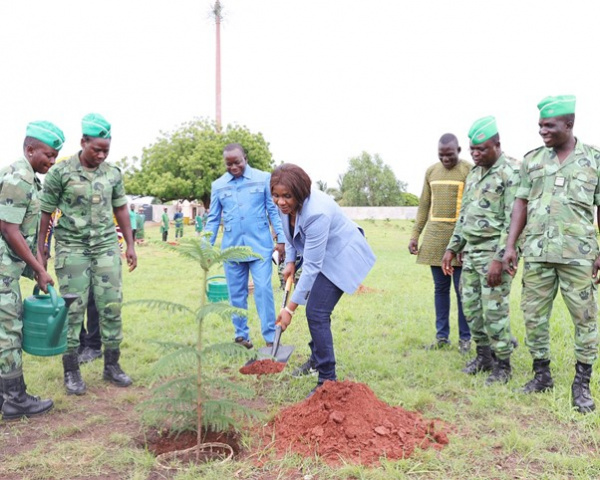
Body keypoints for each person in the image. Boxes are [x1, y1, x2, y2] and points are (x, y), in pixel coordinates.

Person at [503, 95, 600, 413]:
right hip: (538, 253)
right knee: (533, 316)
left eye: (549, 125)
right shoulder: (532, 160)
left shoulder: (594, 160)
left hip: (578, 255)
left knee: (586, 319)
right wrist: (510, 246)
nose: (542, 130)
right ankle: (541, 374)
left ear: (569, 124)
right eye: (540, 125)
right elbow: (521, 202)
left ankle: (581, 384)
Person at [38, 113, 137, 396]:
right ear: (83, 142)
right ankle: (71, 371)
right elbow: (46, 212)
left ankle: (112, 366)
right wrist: (42, 250)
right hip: (72, 246)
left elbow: (121, 209)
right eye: (97, 149)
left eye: (106, 149)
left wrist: (129, 245)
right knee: (72, 308)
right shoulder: (61, 172)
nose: (102, 155)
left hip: (105, 245)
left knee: (111, 305)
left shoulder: (113, 173)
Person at [271, 163, 376, 397]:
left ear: (299, 192)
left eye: (286, 196)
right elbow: (289, 235)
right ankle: (317, 360)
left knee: (316, 312)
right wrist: (289, 262)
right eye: (276, 196)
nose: (280, 202)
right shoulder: (285, 206)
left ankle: (327, 378)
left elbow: (311, 267)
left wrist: (289, 309)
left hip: (341, 255)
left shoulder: (316, 213)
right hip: (319, 253)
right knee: (315, 311)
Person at [442, 117, 519, 385]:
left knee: (494, 311)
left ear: (497, 144)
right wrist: (452, 248)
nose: (475, 154)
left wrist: (500, 259)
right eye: (472, 149)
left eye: (482, 149)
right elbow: (464, 216)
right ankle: (483, 357)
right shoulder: (474, 173)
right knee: (472, 309)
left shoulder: (511, 172)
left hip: (494, 253)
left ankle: (503, 365)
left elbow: (514, 221)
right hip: (471, 254)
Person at [0, 120, 64, 420]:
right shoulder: (20, 179)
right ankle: (15, 400)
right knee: (9, 329)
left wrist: (40, 264)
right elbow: (9, 229)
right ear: (30, 149)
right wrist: (39, 268)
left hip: (7, 269)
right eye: (48, 155)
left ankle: (8, 395)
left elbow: (26, 229)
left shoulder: (28, 176)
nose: (51, 162)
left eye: (55, 157)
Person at [205, 143, 285, 348]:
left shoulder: (263, 178)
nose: (233, 167)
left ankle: (269, 338)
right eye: (229, 164)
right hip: (231, 249)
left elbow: (273, 211)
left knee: (264, 289)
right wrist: (206, 246)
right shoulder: (218, 185)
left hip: (260, 247)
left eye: (237, 162)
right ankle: (241, 336)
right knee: (236, 294)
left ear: (245, 158)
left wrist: (282, 239)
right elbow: (213, 219)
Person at [409, 134, 472, 353]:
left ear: (459, 150)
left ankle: (465, 339)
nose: (446, 159)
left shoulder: (468, 170)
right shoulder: (431, 172)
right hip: (435, 240)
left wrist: (466, 242)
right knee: (440, 290)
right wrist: (415, 235)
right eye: (441, 155)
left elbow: (472, 208)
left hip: (460, 241)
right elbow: (424, 205)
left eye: (450, 154)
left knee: (462, 291)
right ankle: (442, 337)